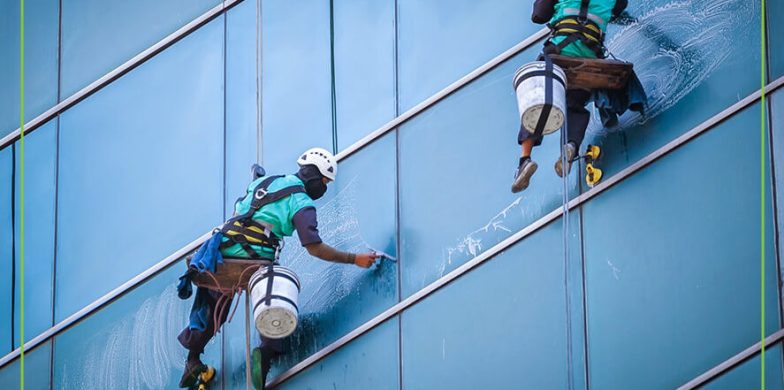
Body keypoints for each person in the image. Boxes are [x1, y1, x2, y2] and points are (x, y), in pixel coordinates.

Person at [177, 147, 380, 388]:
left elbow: (250, 193)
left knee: (214, 298)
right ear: (314, 175)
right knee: (277, 292)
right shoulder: (301, 201)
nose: (323, 187)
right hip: (254, 258)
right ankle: (265, 355)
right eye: (324, 181)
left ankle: (192, 359)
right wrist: (354, 258)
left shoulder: (268, 181)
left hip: (221, 252)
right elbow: (314, 247)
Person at [511, 0, 629, 193]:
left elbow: (539, 15)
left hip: (560, 52)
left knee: (538, 99)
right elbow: (619, 8)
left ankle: (525, 159)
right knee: (575, 105)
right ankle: (571, 145)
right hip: (589, 57)